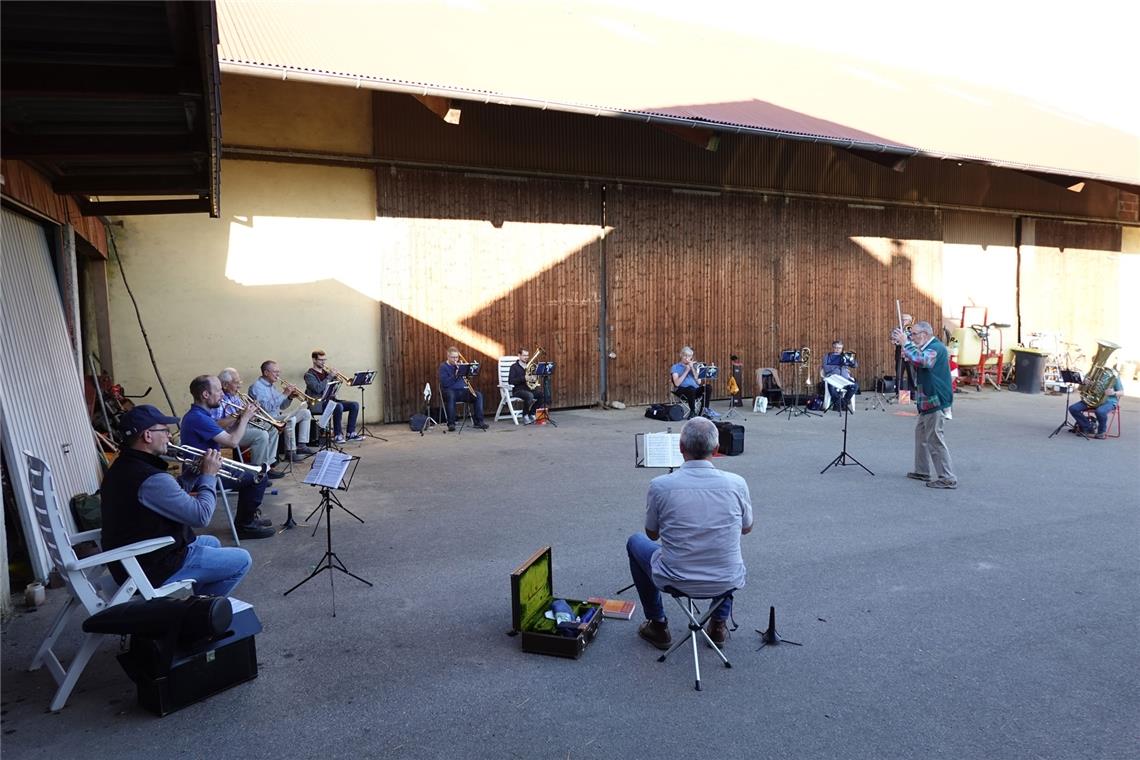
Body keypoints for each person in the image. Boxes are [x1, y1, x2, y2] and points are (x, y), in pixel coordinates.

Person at [626, 417, 753, 649]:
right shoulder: (737, 483)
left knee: (635, 541)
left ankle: (658, 624)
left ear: (680, 447)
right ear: (716, 450)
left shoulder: (660, 485)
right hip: (726, 580)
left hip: (675, 577)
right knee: (724, 549)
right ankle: (718, 624)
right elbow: (746, 528)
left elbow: (652, 535)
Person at [100, 404, 253, 595]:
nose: (169, 436)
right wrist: (209, 476)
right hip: (151, 566)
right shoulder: (151, 478)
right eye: (165, 430)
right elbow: (201, 516)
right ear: (147, 435)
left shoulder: (123, 466)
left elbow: (163, 498)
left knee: (211, 542)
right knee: (242, 559)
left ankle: (202, 602)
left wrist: (191, 476)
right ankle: (204, 612)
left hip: (135, 558)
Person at [180, 375, 275, 538]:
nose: (222, 394)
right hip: (201, 476)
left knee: (256, 476)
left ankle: (248, 518)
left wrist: (240, 421)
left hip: (210, 467)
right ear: (205, 395)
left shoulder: (200, 415)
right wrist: (245, 418)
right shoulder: (198, 418)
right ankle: (245, 525)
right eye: (218, 390)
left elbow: (225, 435)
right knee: (259, 477)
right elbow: (232, 442)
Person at [891, 320, 957, 489]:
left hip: (936, 398)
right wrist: (909, 352)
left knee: (934, 438)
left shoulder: (936, 347)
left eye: (913, 334)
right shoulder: (928, 347)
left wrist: (906, 344)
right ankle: (922, 470)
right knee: (921, 434)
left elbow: (924, 361)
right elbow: (919, 360)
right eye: (911, 335)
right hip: (928, 399)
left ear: (924, 334)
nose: (911, 337)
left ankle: (947, 477)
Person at [215, 368, 283, 478]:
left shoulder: (234, 396)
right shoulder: (219, 399)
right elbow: (217, 425)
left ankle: (268, 465)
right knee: (261, 435)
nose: (239, 386)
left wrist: (251, 411)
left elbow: (244, 416)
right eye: (236, 383)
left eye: (239, 382)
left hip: (239, 427)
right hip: (227, 433)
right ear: (225, 385)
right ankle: (256, 474)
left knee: (272, 426)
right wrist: (240, 414)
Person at [249, 360, 317, 461]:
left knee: (305, 413)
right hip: (266, 419)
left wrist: (289, 397)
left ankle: (302, 445)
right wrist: (285, 394)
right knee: (290, 419)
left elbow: (282, 406)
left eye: (278, 372)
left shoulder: (272, 386)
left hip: (276, 416)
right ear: (266, 372)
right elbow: (266, 408)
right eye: (275, 372)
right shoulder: (257, 387)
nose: (278, 374)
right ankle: (290, 452)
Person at [304, 349, 362, 443]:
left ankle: (350, 433)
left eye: (324, 360)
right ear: (314, 360)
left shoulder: (326, 373)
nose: (323, 362)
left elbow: (332, 386)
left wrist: (336, 380)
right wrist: (330, 377)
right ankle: (337, 435)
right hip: (317, 404)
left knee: (354, 405)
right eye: (320, 360)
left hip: (330, 400)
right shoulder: (309, 375)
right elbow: (318, 388)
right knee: (337, 406)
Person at [438, 347, 489, 431]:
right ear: (448, 356)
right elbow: (445, 383)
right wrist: (456, 375)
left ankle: (479, 422)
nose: (455, 359)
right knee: (451, 395)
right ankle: (451, 423)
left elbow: (467, 379)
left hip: (463, 391)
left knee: (478, 395)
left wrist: (471, 371)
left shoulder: (460, 365)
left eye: (457, 357)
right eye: (453, 357)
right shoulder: (443, 367)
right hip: (449, 391)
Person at [1068, 372, 1123, 439]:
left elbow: (1122, 392)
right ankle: (1088, 427)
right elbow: (1080, 389)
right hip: (1092, 399)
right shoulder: (1091, 373)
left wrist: (1114, 392)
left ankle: (1101, 432)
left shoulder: (1114, 376)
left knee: (1100, 411)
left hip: (1108, 401)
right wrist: (1085, 384)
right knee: (1073, 408)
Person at [508, 347, 548, 424]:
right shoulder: (514, 367)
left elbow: (534, 378)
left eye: (527, 355)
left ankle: (532, 413)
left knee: (542, 395)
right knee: (529, 396)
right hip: (518, 390)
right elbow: (511, 381)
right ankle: (525, 415)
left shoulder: (531, 366)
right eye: (524, 355)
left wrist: (534, 378)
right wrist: (524, 378)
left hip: (529, 389)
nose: (526, 357)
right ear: (519, 355)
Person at [670, 346, 711, 419]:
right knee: (690, 388)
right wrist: (686, 370)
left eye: (689, 356)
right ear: (681, 355)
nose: (686, 358)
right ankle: (692, 411)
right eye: (685, 355)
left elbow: (698, 382)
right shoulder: (675, 367)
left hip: (695, 390)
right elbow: (677, 383)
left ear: (691, 357)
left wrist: (692, 368)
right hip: (682, 390)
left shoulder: (695, 366)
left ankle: (704, 410)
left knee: (708, 387)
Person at [821, 340, 859, 413]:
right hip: (833, 378)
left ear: (842, 348)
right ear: (832, 348)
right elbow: (826, 368)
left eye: (839, 348)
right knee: (831, 388)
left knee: (855, 386)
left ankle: (841, 403)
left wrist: (851, 360)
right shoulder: (827, 356)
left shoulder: (845, 356)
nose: (837, 349)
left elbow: (855, 365)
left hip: (845, 378)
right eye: (835, 347)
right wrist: (839, 366)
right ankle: (840, 404)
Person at [894, 313, 916, 396]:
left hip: (910, 352)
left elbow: (915, 340)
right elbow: (894, 340)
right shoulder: (897, 329)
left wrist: (907, 337)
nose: (903, 321)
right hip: (900, 351)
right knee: (899, 374)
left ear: (910, 321)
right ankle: (900, 394)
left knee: (911, 373)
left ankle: (913, 393)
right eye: (902, 320)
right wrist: (897, 339)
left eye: (905, 320)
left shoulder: (913, 330)